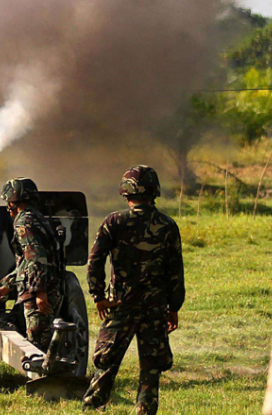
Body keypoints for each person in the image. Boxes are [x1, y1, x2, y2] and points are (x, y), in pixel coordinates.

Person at [83, 165, 184, 414]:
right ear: (154, 191)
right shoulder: (167, 225)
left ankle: (92, 406)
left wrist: (98, 296)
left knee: (106, 363)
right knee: (151, 369)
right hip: (155, 307)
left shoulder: (114, 222)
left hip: (120, 305)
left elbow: (95, 260)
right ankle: (144, 410)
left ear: (126, 192)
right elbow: (175, 270)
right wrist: (173, 307)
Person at [0, 177, 62, 351]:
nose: (8, 207)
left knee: (38, 346)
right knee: (41, 341)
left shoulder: (24, 222)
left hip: (39, 292)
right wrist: (7, 285)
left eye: (9, 202)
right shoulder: (37, 218)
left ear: (14, 201)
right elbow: (27, 262)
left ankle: (47, 377)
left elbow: (36, 257)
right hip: (46, 286)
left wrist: (39, 292)